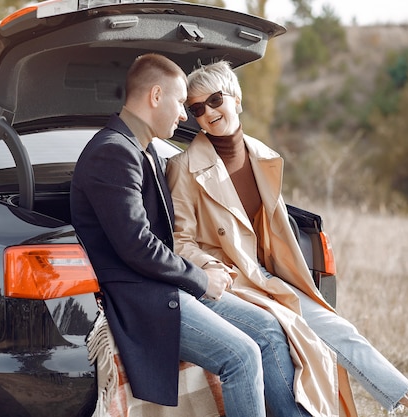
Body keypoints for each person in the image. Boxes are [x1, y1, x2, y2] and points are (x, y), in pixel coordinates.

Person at [166, 59, 408, 417]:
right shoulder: (182, 168)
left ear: (237, 99)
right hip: (231, 283)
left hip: (266, 278)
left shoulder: (263, 156)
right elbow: (180, 240)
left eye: (215, 100)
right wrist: (212, 268)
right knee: (300, 337)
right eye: (196, 108)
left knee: (339, 329)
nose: (207, 112)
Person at [70, 53, 315, 417]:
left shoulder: (141, 148)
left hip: (164, 283)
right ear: (156, 96)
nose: (186, 115)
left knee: (266, 325)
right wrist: (201, 279)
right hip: (141, 296)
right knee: (242, 356)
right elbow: (138, 247)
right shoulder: (113, 153)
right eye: (182, 102)